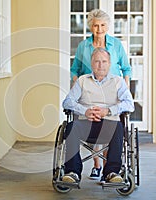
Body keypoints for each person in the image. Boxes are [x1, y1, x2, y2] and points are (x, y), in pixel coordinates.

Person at [70, 9, 132, 179]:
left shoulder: (116, 45)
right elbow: (75, 68)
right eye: (96, 25)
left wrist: (125, 83)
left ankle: (109, 168)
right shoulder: (84, 46)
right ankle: (97, 165)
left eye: (103, 25)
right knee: (90, 119)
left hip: (112, 91)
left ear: (108, 26)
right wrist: (76, 81)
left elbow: (126, 68)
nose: (99, 29)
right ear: (91, 26)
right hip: (88, 90)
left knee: (111, 124)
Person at [62, 48, 134, 184]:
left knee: (119, 127)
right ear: (92, 63)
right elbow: (67, 102)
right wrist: (85, 111)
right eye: (97, 61)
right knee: (71, 127)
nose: (100, 65)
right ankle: (72, 172)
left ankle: (111, 173)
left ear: (109, 63)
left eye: (104, 61)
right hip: (85, 124)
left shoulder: (118, 82)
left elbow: (130, 105)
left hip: (109, 125)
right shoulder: (82, 80)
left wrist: (108, 111)